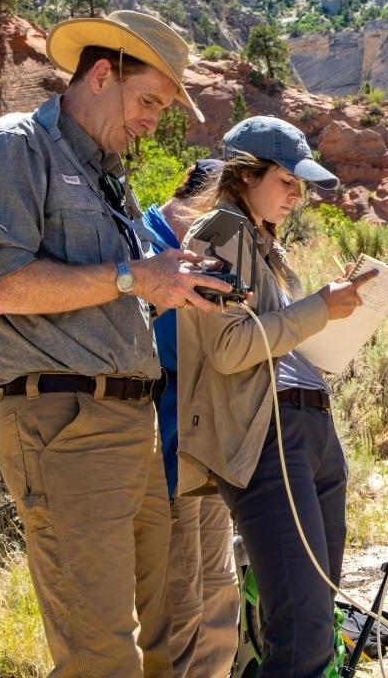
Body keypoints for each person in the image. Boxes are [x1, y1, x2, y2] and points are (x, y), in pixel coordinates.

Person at [0, 10, 231, 678]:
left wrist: (171, 285)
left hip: (134, 425)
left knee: (161, 643)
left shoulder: (110, 176)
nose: (152, 121)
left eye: (163, 109)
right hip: (66, 427)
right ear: (102, 74)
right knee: (99, 654)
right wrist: (133, 276)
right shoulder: (17, 145)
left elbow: (122, 287)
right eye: (148, 102)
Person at [176, 116, 377, 678]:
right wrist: (318, 309)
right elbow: (229, 348)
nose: (298, 195)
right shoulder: (222, 232)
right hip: (271, 437)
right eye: (287, 181)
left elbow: (276, 338)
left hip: (307, 429)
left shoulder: (262, 243)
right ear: (245, 175)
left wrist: (328, 318)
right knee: (303, 629)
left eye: (301, 186)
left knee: (317, 608)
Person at [141, 158, 240, 678]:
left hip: (209, 452)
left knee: (220, 594)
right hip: (165, 451)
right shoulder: (143, 245)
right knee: (182, 600)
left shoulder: (212, 255)